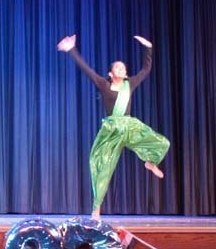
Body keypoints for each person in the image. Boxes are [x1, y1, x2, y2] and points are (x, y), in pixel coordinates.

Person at [57, 34, 169, 219]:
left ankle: (150, 162)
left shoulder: (129, 84)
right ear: (111, 73)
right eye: (118, 66)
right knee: (103, 169)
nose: (121, 68)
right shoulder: (103, 84)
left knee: (163, 143)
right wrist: (72, 50)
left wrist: (148, 48)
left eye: (123, 67)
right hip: (111, 131)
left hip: (130, 128)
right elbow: (86, 70)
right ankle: (96, 208)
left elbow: (146, 69)